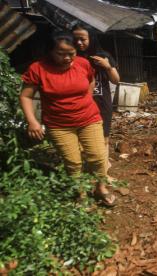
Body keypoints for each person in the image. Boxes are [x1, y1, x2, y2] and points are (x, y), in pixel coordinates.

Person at [19, 30, 116, 206]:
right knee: (73, 162)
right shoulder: (38, 69)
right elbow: (25, 96)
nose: (67, 58)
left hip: (89, 118)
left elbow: (91, 81)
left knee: (98, 156)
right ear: (50, 51)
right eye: (61, 54)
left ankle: (100, 188)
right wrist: (32, 121)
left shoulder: (83, 63)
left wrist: (86, 98)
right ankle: (80, 194)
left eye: (71, 53)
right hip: (59, 125)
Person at [72, 25, 120, 180]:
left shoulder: (102, 56)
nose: (79, 42)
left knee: (104, 136)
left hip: (101, 102)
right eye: (76, 39)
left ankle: (103, 172)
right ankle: (91, 166)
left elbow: (116, 80)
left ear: (91, 39)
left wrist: (107, 66)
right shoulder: (70, 57)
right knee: (82, 136)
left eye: (83, 39)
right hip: (80, 103)